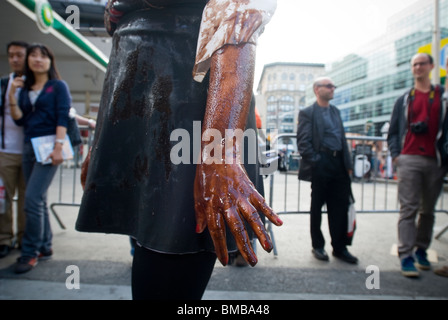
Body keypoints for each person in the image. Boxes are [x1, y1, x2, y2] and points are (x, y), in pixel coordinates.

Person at [76, 0, 282, 300]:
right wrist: (101, 140)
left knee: (179, 238)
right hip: (140, 92)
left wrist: (219, 151)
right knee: (150, 241)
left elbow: (238, 18)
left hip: (192, 96)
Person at [8, 43, 72, 274]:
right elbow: (19, 120)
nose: (38, 59)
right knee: (40, 199)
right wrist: (13, 95)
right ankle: (45, 246)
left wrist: (58, 146)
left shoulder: (57, 86)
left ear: (49, 61)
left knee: (32, 199)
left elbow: (62, 117)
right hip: (28, 146)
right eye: (33, 55)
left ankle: (30, 252)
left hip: (49, 146)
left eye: (43, 56)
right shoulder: (24, 88)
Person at [388, 53, 448, 278]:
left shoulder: (442, 97)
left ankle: (421, 250)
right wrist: (397, 156)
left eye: (422, 63)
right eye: (414, 64)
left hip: (435, 160)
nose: (418, 67)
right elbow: (393, 131)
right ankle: (406, 255)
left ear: (432, 66)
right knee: (408, 208)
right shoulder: (404, 98)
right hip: (409, 158)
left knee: (428, 210)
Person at [297, 77, 358, 264]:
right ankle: (318, 246)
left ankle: (340, 248)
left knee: (339, 208)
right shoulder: (308, 112)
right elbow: (303, 141)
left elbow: (342, 140)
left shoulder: (336, 111)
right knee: (317, 208)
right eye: (329, 86)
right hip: (321, 162)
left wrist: (348, 166)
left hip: (339, 164)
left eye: (333, 86)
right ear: (317, 89)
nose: (333, 89)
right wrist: (316, 161)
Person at [0, 41, 28, 258]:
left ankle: (23, 239)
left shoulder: (36, 84)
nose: (15, 59)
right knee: (3, 198)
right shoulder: (3, 84)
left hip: (30, 151)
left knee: (28, 200)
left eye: (19, 55)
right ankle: (4, 238)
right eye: (11, 56)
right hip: (5, 150)